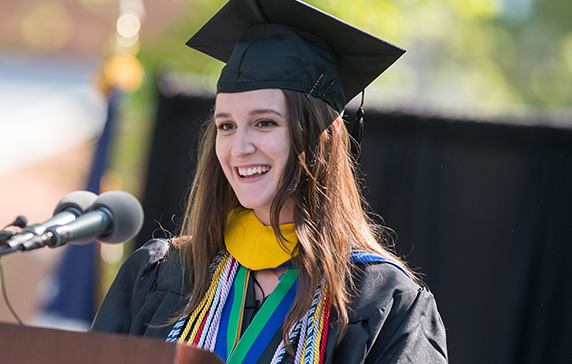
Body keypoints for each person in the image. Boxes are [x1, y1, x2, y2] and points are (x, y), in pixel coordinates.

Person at [90, 0, 448, 363]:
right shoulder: (162, 275)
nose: (239, 148)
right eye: (226, 126)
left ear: (319, 136)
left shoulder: (384, 302)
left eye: (265, 123)